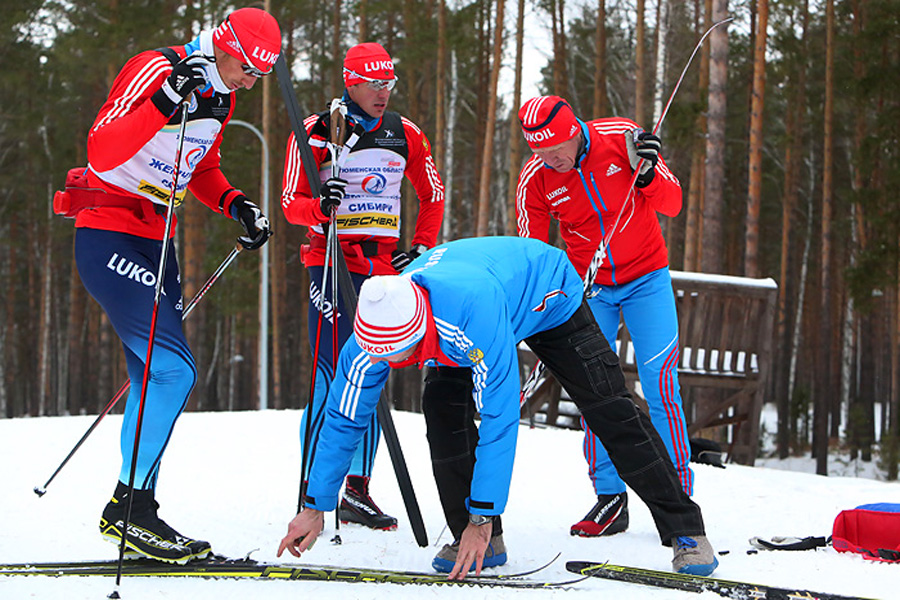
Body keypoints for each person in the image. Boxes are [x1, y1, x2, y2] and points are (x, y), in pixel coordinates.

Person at [276, 237, 718, 580]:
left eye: (400, 355)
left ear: (418, 330)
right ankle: (482, 543)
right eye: (383, 356)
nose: (391, 365)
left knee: (608, 407)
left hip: (547, 295)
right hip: (468, 301)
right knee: (441, 410)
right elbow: (343, 418)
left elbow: (499, 420)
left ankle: (685, 529)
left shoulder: (469, 319)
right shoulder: (371, 334)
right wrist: (315, 504)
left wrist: (482, 513)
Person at [66, 8, 279, 564]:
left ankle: (142, 512)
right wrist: (164, 100)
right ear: (222, 44)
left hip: (159, 240)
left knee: (151, 376)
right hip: (108, 230)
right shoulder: (156, 67)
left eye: (259, 75)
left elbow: (199, 167)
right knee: (175, 369)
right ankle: (126, 507)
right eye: (245, 68)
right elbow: (101, 149)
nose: (248, 82)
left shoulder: (220, 97)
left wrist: (237, 205)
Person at [280, 42, 444, 530]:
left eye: (389, 84)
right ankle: (315, 487)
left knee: (374, 369)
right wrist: (318, 206)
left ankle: (356, 489)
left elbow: (432, 193)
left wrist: (419, 247)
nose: (383, 93)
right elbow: (292, 202)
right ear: (350, 82)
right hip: (330, 262)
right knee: (333, 373)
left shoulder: (404, 133)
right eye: (374, 84)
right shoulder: (317, 131)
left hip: (382, 269)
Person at [515, 95, 693, 537]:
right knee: (598, 391)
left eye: (556, 148)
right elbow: (532, 254)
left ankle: (676, 496)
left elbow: (672, 203)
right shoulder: (535, 179)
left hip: (647, 277)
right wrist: (542, 305)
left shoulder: (622, 139)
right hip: (589, 288)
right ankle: (610, 498)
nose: (551, 159)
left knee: (659, 384)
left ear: (575, 129)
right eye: (539, 151)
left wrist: (648, 174)